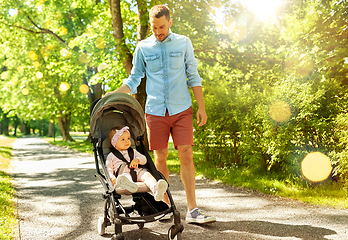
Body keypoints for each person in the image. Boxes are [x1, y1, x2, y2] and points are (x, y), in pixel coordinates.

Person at [108, 5, 215, 224]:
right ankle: (165, 206)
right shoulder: (143, 47)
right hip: (155, 111)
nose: (158, 32)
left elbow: (193, 76)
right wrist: (113, 94)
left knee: (186, 154)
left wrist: (201, 107)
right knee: (160, 158)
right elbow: (134, 79)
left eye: (162, 27)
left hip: (181, 108)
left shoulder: (183, 43)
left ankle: (193, 210)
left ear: (170, 22)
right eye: (155, 27)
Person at [105, 126, 168, 201]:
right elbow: (108, 169)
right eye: (123, 139)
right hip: (123, 174)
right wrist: (112, 178)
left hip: (137, 172)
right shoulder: (111, 156)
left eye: (128, 138)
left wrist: (137, 160)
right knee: (125, 178)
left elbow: (144, 159)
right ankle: (130, 185)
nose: (127, 141)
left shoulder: (133, 151)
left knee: (147, 175)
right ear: (114, 143)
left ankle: (156, 190)